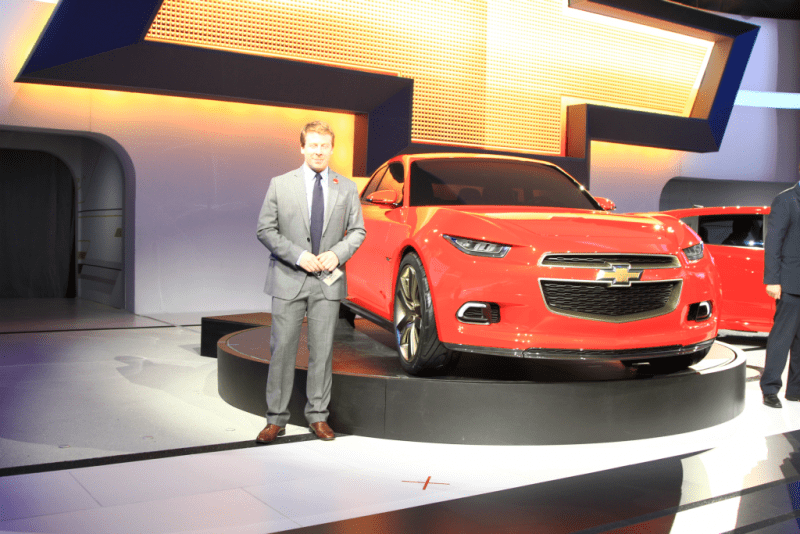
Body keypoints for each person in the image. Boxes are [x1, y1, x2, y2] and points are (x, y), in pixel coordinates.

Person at [255, 121, 366, 440]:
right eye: (313, 145)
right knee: (282, 350)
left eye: (324, 146)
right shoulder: (280, 184)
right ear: (302, 147)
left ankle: (318, 416)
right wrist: (298, 255)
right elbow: (265, 229)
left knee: (322, 351)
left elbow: (358, 230)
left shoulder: (346, 187)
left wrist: (337, 254)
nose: (318, 151)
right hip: (288, 277)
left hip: (327, 281)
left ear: (331, 149)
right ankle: (276, 419)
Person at [761, 175, 800, 409]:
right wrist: (772, 280)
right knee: (781, 339)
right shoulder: (786, 200)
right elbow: (774, 241)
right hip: (790, 283)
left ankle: (795, 391)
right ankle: (770, 389)